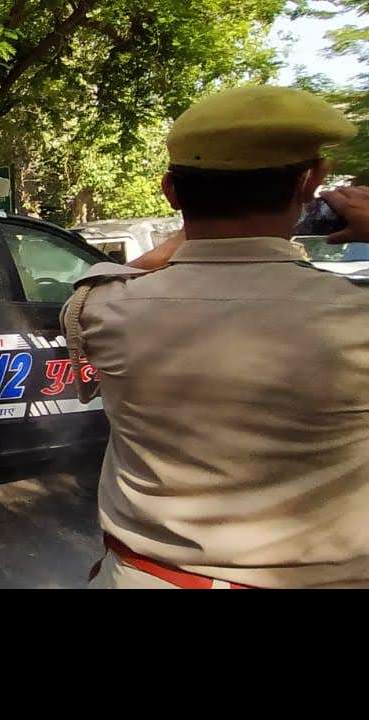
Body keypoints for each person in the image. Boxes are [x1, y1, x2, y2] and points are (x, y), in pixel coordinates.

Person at [61, 85, 369, 588]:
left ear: (172, 193)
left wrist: (204, 222)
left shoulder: (103, 309)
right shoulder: (357, 317)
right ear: (311, 183)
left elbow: (115, 277)